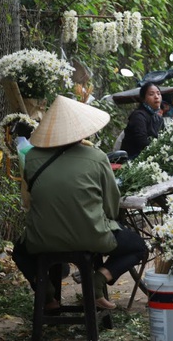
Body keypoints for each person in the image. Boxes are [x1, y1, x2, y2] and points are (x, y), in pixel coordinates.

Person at [12, 95, 147, 311]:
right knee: (138, 247)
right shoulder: (97, 157)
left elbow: (31, 199)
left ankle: (47, 294)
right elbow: (111, 207)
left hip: (42, 239)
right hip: (92, 237)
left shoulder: (32, 157)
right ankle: (98, 281)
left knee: (19, 251)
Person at [121, 82, 165, 159]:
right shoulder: (138, 116)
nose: (156, 97)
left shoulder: (159, 118)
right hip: (133, 159)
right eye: (151, 94)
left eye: (158, 94)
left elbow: (164, 138)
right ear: (143, 99)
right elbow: (142, 142)